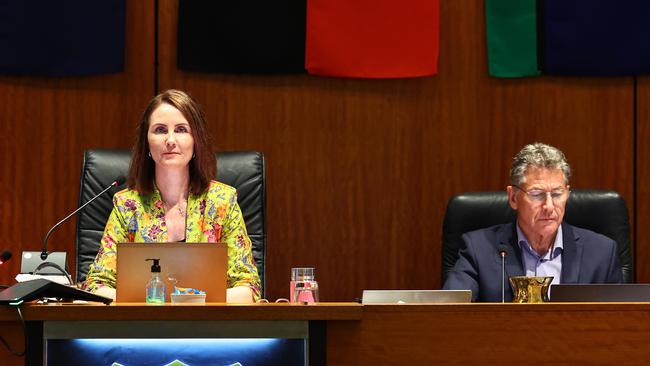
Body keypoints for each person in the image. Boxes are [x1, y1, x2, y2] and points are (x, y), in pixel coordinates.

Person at [84, 89, 261, 303]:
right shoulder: (127, 205)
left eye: (181, 129)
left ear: (196, 140)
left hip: (209, 330)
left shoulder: (222, 201)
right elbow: (96, 286)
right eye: (160, 130)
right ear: (146, 143)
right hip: (142, 330)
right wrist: (159, 302)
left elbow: (249, 288)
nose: (170, 140)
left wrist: (186, 302)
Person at [443, 142, 622, 302]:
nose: (549, 206)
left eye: (558, 194)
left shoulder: (602, 253)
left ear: (567, 193)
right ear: (513, 197)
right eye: (537, 194)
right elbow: (450, 314)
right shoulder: (478, 249)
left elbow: (619, 326)